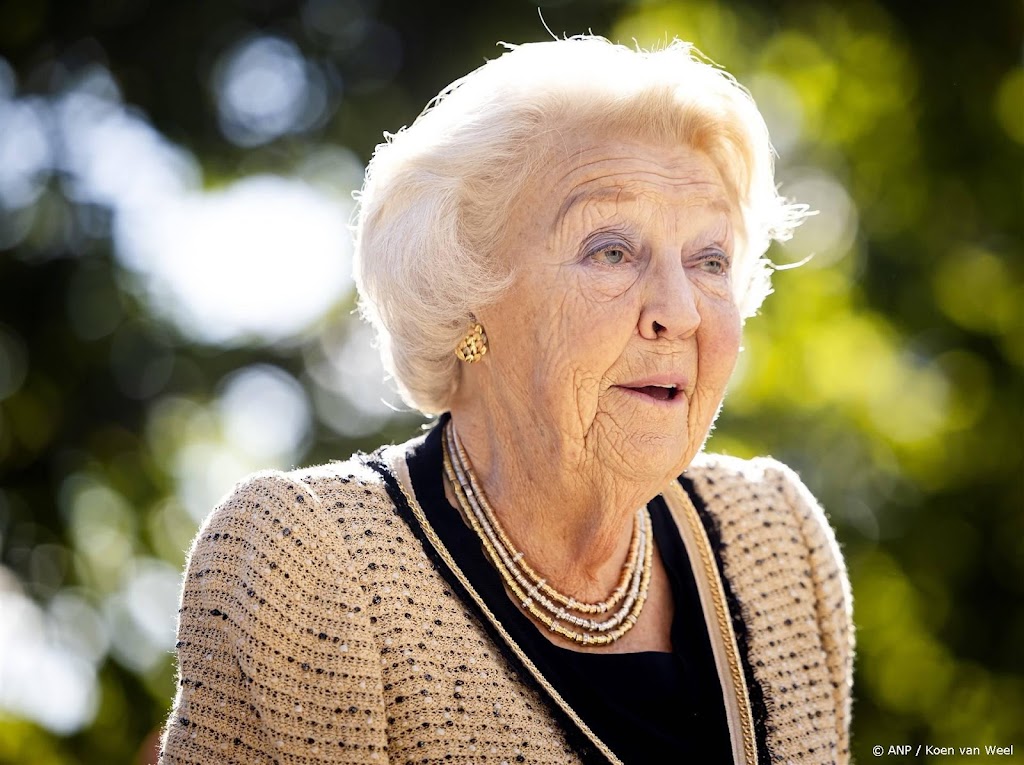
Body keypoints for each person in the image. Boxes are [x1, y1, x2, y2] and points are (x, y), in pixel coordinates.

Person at [159, 36, 853, 764]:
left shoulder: (775, 538)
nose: (678, 312)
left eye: (709, 261)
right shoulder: (312, 561)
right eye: (612, 251)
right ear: (464, 296)